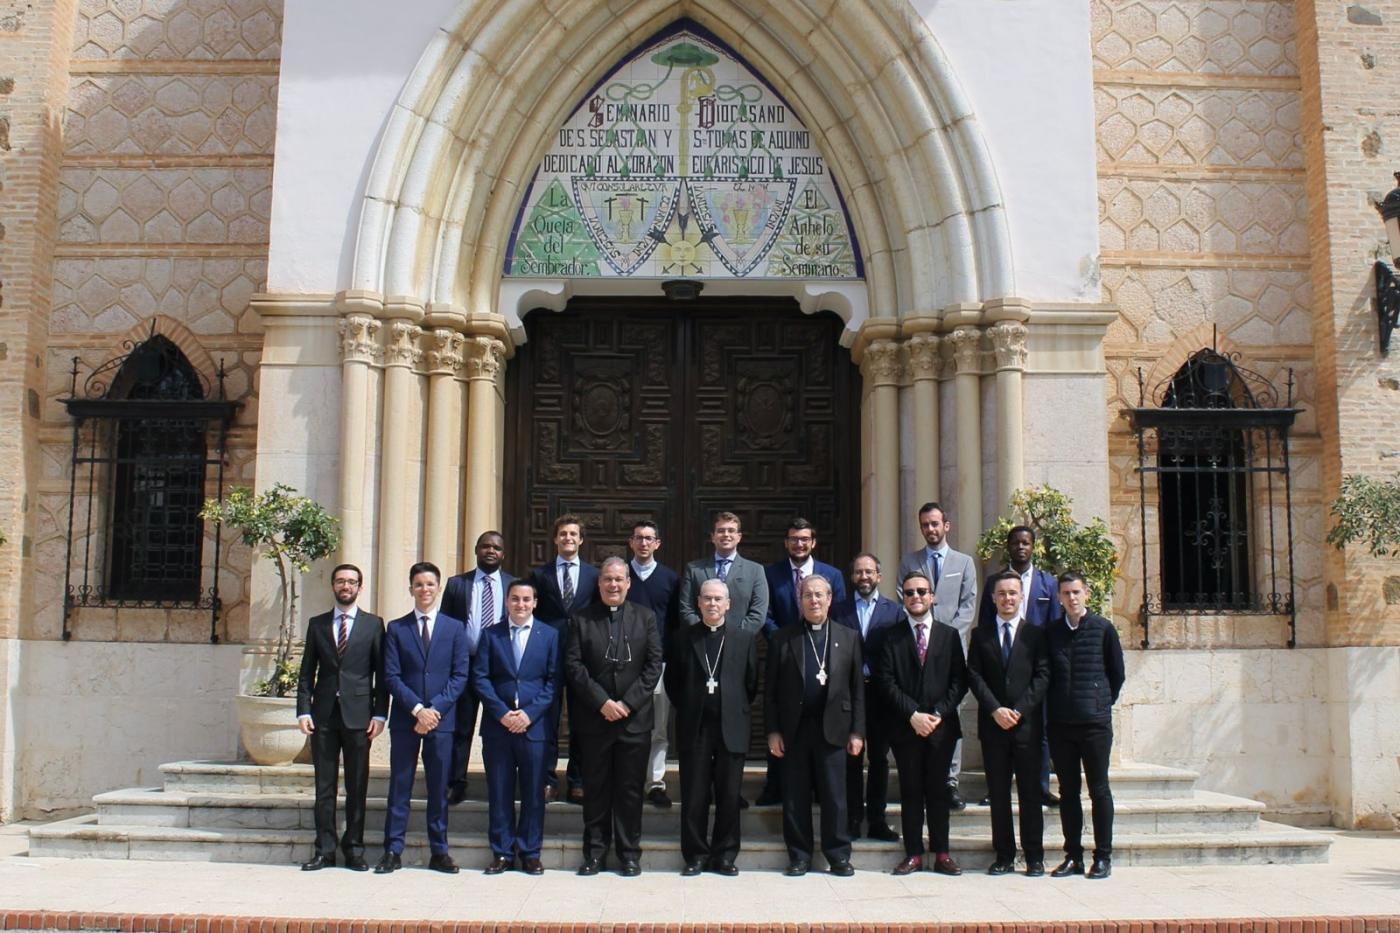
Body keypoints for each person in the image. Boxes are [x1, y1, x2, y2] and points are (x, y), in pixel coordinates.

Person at [565, 556, 664, 876]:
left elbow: (653, 665)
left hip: (633, 721)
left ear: (628, 583)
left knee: (630, 791)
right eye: (607, 579)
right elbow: (574, 666)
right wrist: (602, 702)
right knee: (595, 790)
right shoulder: (581, 619)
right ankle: (595, 853)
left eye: (619, 579)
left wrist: (628, 703)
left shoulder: (646, 618)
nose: (613, 585)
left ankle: (629, 854)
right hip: (595, 720)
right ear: (599, 583)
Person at [765, 575, 864, 877]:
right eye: (807, 595)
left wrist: (857, 731)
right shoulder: (783, 638)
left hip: (834, 728)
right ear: (800, 600)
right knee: (795, 797)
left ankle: (838, 855)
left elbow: (857, 689)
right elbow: (770, 691)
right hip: (795, 729)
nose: (814, 600)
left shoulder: (849, 636)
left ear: (830, 599)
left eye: (819, 595)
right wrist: (773, 731)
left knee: (835, 796)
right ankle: (799, 856)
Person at [377, 562, 471, 874]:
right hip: (407, 719)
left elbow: (460, 675)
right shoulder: (397, 628)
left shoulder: (454, 628)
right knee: (400, 785)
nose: (424, 590)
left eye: (430, 584)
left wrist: (435, 710)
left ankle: (439, 851)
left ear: (438, 588)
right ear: (411, 589)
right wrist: (418, 710)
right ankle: (393, 849)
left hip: (441, 721)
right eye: (419, 584)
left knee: (438, 787)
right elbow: (391, 676)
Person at [295, 563, 388, 871]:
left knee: (357, 786)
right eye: (340, 581)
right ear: (333, 585)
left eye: (351, 581)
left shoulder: (374, 625)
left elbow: (381, 675)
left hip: (359, 716)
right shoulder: (317, 624)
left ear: (360, 587)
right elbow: (306, 672)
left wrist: (380, 714)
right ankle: (325, 850)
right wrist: (303, 709)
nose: (345, 586)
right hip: (323, 716)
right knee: (324, 787)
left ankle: (354, 849)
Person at [874, 570, 967, 876]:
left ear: (932, 596)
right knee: (911, 791)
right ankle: (913, 853)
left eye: (922, 592)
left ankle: (942, 853)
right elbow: (885, 681)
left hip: (942, 728)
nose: (916, 597)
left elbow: (959, 680)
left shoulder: (949, 635)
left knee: (938, 792)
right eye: (910, 592)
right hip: (906, 728)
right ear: (903, 597)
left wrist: (938, 714)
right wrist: (912, 714)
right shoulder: (891, 636)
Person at [665, 579, 758, 876]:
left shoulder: (744, 639)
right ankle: (695, 855)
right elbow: (673, 683)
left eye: (718, 599)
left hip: (732, 727)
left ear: (728, 604)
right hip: (695, 727)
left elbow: (751, 683)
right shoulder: (682, 638)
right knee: (694, 795)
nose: (713, 604)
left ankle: (725, 855)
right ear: (698, 603)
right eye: (707, 598)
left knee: (729, 795)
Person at [755, 519, 848, 807]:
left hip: (823, 656)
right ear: (786, 543)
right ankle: (774, 786)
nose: (799, 544)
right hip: (784, 656)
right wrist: (784, 641)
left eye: (804, 539)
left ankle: (820, 786)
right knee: (783, 716)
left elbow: (839, 613)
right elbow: (764, 614)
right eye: (794, 539)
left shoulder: (832, 575)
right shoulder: (770, 574)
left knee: (821, 722)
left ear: (813, 543)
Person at [472, 579, 559, 876]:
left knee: (534, 793)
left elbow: (553, 682)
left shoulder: (549, 635)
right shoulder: (491, 635)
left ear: (535, 603)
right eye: (515, 599)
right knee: (500, 791)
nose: (520, 604)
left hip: (534, 728)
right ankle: (502, 852)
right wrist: (502, 713)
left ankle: (530, 853)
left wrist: (529, 715)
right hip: (498, 727)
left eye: (526, 599)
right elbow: (481, 677)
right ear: (507, 602)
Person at [967, 571, 1051, 877]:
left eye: (1012, 593)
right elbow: (974, 675)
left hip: (1026, 727)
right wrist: (995, 709)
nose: (1007, 599)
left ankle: (1034, 856)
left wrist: (1018, 710)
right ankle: (1004, 855)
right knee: (999, 795)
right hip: (993, 727)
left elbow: (1043, 675)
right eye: (1001, 593)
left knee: (1030, 794)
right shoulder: (981, 635)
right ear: (993, 598)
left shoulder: (1036, 635)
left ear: (1021, 596)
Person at [897, 501, 977, 809]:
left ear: (946, 525)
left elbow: (968, 605)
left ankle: (950, 781)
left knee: (949, 711)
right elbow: (903, 596)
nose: (930, 529)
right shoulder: (909, 561)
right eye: (925, 525)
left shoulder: (964, 562)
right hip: (917, 647)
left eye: (934, 523)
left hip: (950, 650)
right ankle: (920, 775)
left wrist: (945, 638)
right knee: (918, 708)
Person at [1046, 571, 1125, 881]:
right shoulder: (1052, 632)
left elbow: (1116, 674)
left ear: (1087, 594)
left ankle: (1103, 856)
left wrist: (1099, 702)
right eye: (1066, 593)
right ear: (1059, 598)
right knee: (1068, 792)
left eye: (1076, 592)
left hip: (1094, 725)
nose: (1072, 598)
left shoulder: (1103, 629)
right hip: (1061, 725)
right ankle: (1073, 856)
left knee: (1099, 789)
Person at [976, 525, 1062, 807]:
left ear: (1033, 547)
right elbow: (985, 622)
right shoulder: (995, 583)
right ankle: (996, 787)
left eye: (1026, 543)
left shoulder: (1048, 583)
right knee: (996, 731)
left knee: (1040, 728)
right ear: (1009, 547)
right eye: (1016, 543)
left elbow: (1054, 624)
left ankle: (1040, 787)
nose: (1021, 547)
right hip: (1000, 661)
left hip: (1035, 664)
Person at [832, 552, 902, 842]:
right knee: (850, 759)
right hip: (847, 695)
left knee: (879, 760)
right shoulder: (838, 610)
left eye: (869, 572)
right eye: (859, 572)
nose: (864, 577)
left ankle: (877, 820)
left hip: (881, 695)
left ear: (879, 576)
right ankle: (852, 819)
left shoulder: (894, 611)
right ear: (852, 577)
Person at [440, 530, 514, 805]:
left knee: (501, 727)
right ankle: (456, 781)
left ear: (503, 554)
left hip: (501, 668)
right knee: (462, 726)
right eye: (485, 546)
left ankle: (502, 779)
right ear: (476, 550)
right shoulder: (457, 584)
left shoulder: (514, 585)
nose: (490, 551)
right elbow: (446, 627)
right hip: (466, 664)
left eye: (496, 547)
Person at [529, 514, 599, 803]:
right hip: (549, 656)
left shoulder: (594, 575)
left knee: (581, 720)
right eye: (563, 534)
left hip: (583, 657)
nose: (568, 538)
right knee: (548, 719)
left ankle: (578, 779)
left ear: (581, 540)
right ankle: (547, 779)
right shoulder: (539, 575)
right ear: (555, 539)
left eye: (573, 534)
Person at [625, 520, 681, 809]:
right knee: (627, 726)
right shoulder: (620, 576)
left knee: (658, 728)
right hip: (624, 664)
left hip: (660, 664)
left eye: (649, 538)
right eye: (639, 538)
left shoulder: (670, 579)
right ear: (631, 542)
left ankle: (655, 783)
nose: (644, 543)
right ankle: (628, 781)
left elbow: (676, 623)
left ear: (657, 543)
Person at [679, 511, 769, 634]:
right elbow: (686, 608)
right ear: (713, 537)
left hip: (739, 641)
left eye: (731, 531)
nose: (726, 535)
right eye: (721, 531)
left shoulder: (755, 570)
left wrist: (736, 636)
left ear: (739, 537)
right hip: (701, 639)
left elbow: (758, 613)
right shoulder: (694, 569)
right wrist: (704, 633)